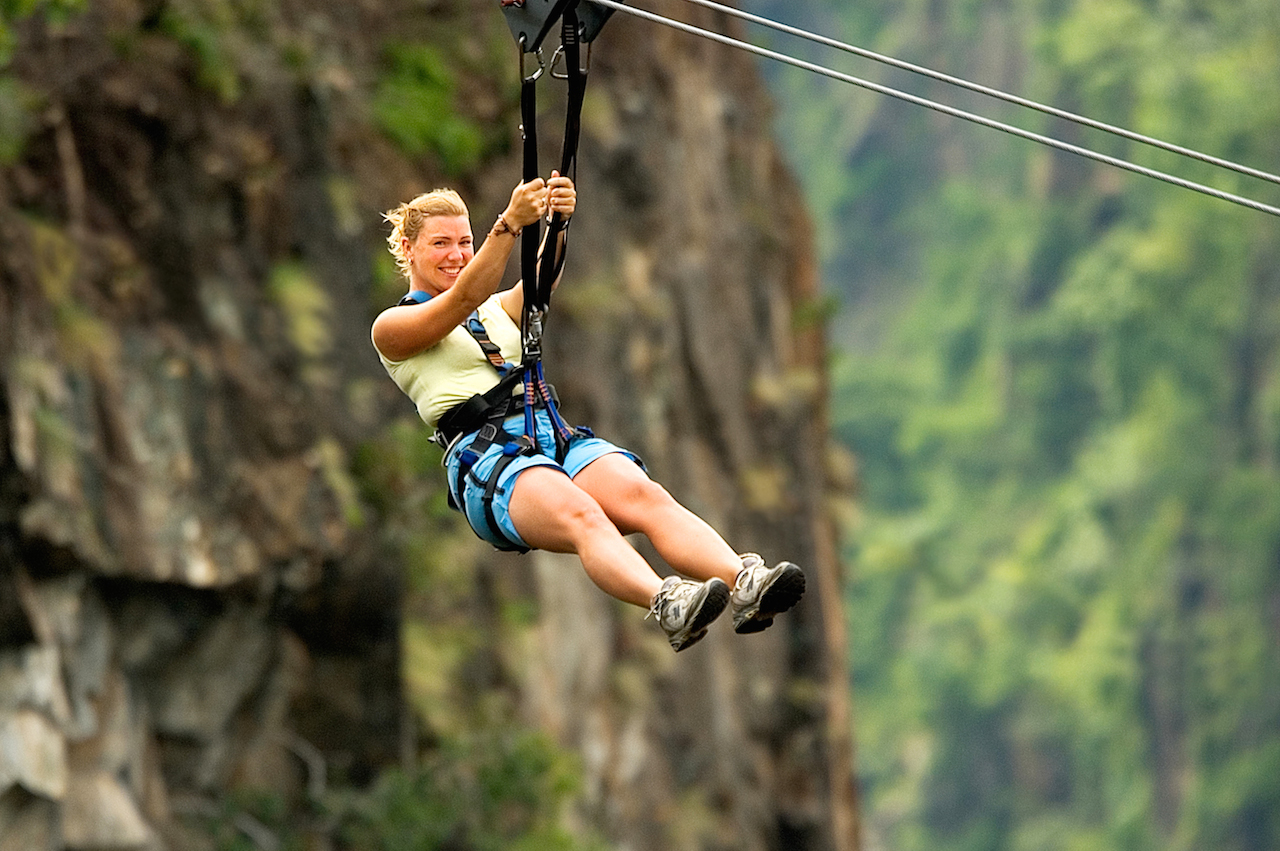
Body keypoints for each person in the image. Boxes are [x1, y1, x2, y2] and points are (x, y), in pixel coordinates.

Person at [371, 172, 805, 651]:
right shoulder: (394, 328)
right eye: (440, 244)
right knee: (582, 514)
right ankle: (666, 601)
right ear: (409, 251)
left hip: (548, 433)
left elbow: (539, 283)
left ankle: (742, 580)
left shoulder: (496, 308)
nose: (456, 254)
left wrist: (557, 224)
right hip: (489, 460)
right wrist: (508, 225)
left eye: (464, 241)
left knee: (644, 495)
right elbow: (463, 298)